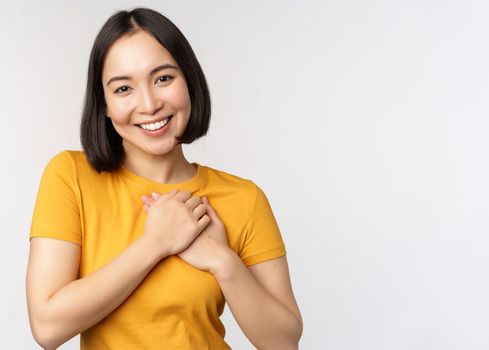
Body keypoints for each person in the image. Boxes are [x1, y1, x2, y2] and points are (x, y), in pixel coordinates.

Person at [25, 7, 302, 350]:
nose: (149, 104)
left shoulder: (244, 198)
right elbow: (47, 327)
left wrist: (222, 261)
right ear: (105, 105)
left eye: (163, 79)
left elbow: (284, 342)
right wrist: (156, 243)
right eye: (124, 88)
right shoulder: (70, 176)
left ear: (189, 81)